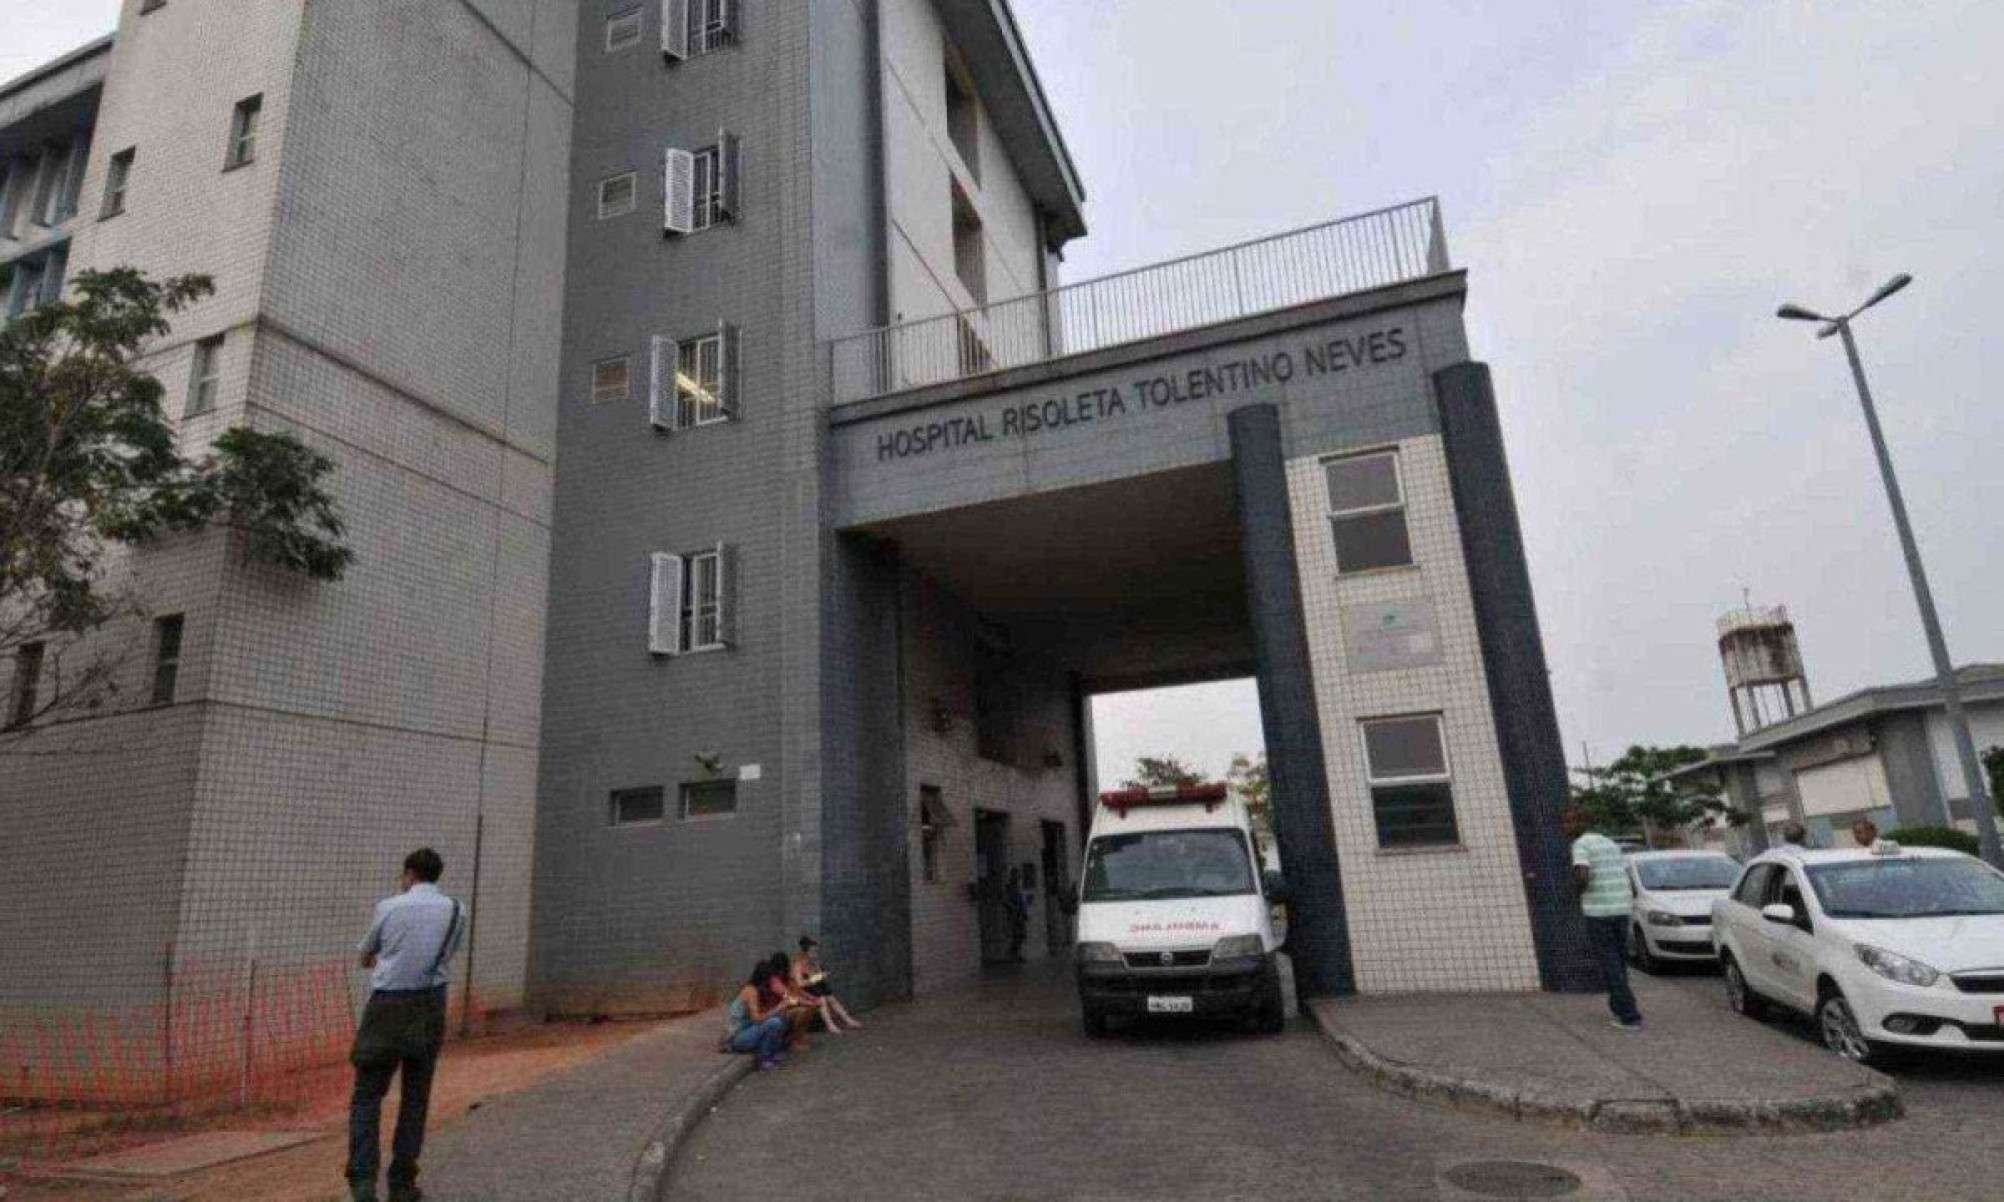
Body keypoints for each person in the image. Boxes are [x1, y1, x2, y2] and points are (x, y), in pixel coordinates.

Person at [347, 848, 463, 1202]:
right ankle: (402, 1182)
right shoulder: (456, 909)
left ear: (410, 874)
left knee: (367, 1095)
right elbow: (447, 954)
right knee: (416, 1095)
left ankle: (363, 1183)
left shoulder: (390, 907)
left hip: (386, 1006)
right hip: (429, 1004)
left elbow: (366, 953)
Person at [1563, 807, 1642, 1031]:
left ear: (1581, 823)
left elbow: (1582, 875)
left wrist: (1574, 894)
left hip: (1599, 911)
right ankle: (1619, 1007)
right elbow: (1626, 875)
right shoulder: (1610, 843)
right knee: (1619, 961)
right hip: (1621, 908)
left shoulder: (1580, 845)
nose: (1565, 827)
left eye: (1569, 822)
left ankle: (1629, 1016)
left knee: (1609, 963)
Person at [724, 960, 792, 1070]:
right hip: (737, 1037)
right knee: (774, 1022)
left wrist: (783, 997)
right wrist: (778, 1008)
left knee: (781, 1019)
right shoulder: (751, 991)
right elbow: (757, 1019)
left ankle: (772, 1051)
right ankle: (764, 1058)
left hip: (748, 1030)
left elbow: (766, 1014)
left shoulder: (759, 990)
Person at [791, 936, 862, 1032]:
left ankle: (848, 1020)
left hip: (815, 986)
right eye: (813, 951)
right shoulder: (798, 963)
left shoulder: (813, 961)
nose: (815, 953)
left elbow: (818, 975)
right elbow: (800, 983)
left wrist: (819, 970)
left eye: (816, 951)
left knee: (832, 998)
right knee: (822, 999)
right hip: (804, 989)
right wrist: (817, 977)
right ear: (806, 952)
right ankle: (830, 1024)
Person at [1005, 866, 1031, 963]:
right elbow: (1006, 900)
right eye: (1016, 875)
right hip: (1015, 914)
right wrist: (1014, 909)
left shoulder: (1018, 887)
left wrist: (1025, 912)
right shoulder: (1010, 888)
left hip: (1021, 914)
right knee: (1017, 935)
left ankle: (1016, 953)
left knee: (1022, 935)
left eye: (1018, 876)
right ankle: (1013, 954)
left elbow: (1022, 900)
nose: (1018, 878)